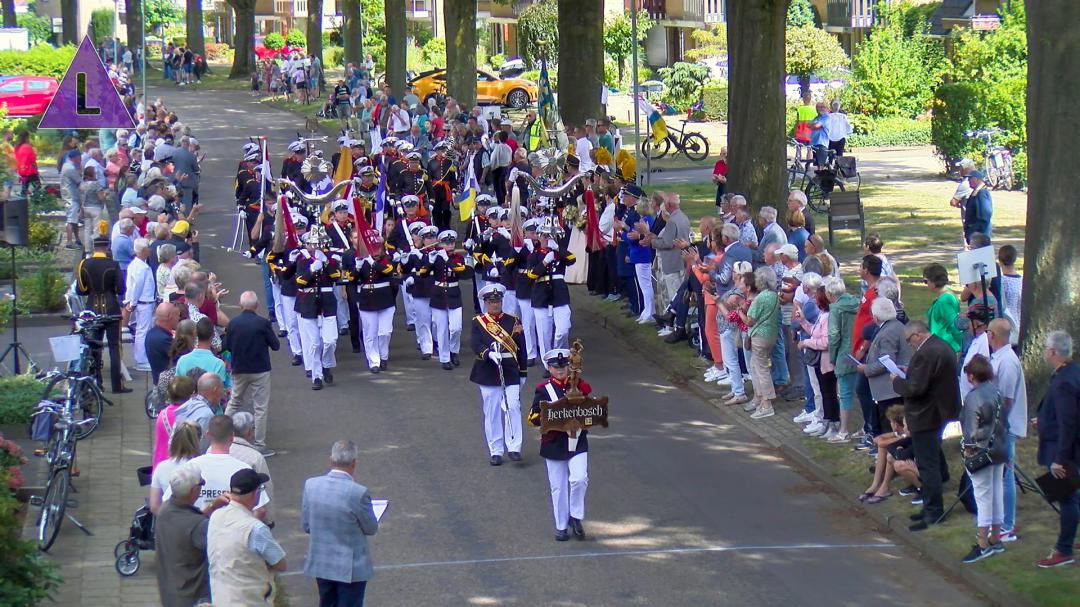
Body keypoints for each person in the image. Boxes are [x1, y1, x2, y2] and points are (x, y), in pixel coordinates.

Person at [892, 320, 961, 531]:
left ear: (918, 335)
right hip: (938, 413)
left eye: (909, 340)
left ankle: (934, 511)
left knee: (927, 464)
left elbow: (915, 388)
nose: (909, 344)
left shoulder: (926, 353)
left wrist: (897, 380)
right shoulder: (941, 346)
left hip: (926, 416)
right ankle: (932, 505)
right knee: (932, 460)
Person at [301, 440, 380, 606]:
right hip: (350, 568)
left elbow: (307, 525)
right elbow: (371, 528)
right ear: (354, 463)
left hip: (322, 562)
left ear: (331, 460)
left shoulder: (311, 485)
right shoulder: (358, 492)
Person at [529, 349, 592, 541]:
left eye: (563, 366)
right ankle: (561, 525)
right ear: (549, 368)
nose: (560, 370)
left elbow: (592, 409)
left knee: (579, 479)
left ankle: (576, 516)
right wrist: (550, 419)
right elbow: (532, 418)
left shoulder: (580, 385)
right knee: (558, 487)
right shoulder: (543, 389)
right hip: (554, 443)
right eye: (556, 368)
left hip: (577, 440)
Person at [1034, 330, 1080, 568]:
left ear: (1052, 352)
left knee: (1067, 497)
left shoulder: (1063, 381)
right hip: (1070, 445)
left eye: (1045, 348)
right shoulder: (1072, 372)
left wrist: (1059, 459)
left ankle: (1063, 549)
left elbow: (1068, 422)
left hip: (1064, 449)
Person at [154, 461, 228, 607]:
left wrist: (212, 506)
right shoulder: (198, 526)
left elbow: (187, 522)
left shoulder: (165, 510)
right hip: (194, 597)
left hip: (170, 591)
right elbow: (224, 548)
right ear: (194, 490)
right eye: (202, 483)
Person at [207, 468, 285, 605]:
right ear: (255, 494)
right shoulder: (256, 528)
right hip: (250, 601)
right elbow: (280, 564)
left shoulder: (215, 517)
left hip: (220, 599)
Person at [469, 284, 527, 466]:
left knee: (513, 407)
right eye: (491, 302)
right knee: (492, 411)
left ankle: (514, 446)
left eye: (498, 301)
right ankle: (496, 449)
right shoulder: (478, 322)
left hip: (510, 370)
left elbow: (521, 348)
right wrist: (487, 353)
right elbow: (475, 344)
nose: (495, 304)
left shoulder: (513, 320)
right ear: (485, 303)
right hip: (487, 370)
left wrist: (523, 372)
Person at [959, 354, 1008, 563]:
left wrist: (967, 451)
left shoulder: (973, 397)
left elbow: (970, 430)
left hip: (981, 452)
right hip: (999, 449)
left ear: (971, 375)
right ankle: (996, 538)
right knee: (997, 493)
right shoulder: (997, 392)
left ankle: (982, 543)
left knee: (982, 496)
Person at [224, 292, 280, 455]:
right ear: (256, 306)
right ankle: (259, 444)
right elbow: (275, 345)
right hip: (260, 369)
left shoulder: (233, 323)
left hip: (239, 369)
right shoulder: (262, 323)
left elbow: (226, 345)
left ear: (240, 306)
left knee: (234, 401)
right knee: (260, 407)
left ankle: (221, 436)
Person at [987, 318, 1026, 542]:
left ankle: (1007, 525)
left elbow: (1007, 400)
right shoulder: (999, 358)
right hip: (999, 425)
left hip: (1005, 426)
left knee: (1005, 475)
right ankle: (997, 519)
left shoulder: (1008, 362)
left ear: (993, 335)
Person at [75, 236, 129, 393]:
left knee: (95, 347)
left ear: (94, 248)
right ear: (107, 248)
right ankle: (117, 385)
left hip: (92, 309)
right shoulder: (113, 264)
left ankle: (97, 382)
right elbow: (121, 289)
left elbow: (81, 290)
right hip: (111, 308)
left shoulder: (83, 264)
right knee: (114, 347)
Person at [738, 267, 779, 420]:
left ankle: (767, 404)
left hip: (759, 337)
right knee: (757, 367)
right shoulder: (774, 296)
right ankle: (760, 398)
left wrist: (740, 312)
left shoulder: (760, 298)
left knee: (761, 370)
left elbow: (750, 321)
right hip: (770, 335)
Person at [149, 421, 202, 515]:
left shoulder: (161, 467)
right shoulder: (200, 467)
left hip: (169, 522)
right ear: (198, 440)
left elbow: (154, 506)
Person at [152, 375, 199, 470]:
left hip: (160, 464)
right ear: (192, 394)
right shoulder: (189, 415)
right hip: (181, 467)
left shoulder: (162, 414)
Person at [229, 412, 274, 508]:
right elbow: (266, 489)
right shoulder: (255, 457)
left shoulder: (217, 450)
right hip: (248, 512)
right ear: (249, 432)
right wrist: (270, 520)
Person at [125, 238, 156, 372]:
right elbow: (137, 286)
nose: (150, 250)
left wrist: (130, 301)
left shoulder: (136, 264)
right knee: (142, 331)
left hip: (143, 302)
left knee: (142, 331)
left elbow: (131, 286)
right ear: (143, 251)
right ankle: (141, 360)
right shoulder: (141, 268)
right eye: (148, 248)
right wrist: (132, 302)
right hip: (144, 303)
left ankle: (142, 358)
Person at [922, 263, 963, 354]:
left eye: (926, 281)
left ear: (933, 281)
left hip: (946, 348)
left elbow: (955, 324)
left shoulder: (944, 301)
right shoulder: (946, 296)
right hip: (942, 346)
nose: (926, 284)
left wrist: (959, 348)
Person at [175, 317, 228, 385]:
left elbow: (177, 387)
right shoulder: (218, 364)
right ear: (213, 335)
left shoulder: (182, 360)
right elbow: (219, 390)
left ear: (196, 333)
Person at [147, 302, 179, 385]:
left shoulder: (152, 333)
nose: (179, 318)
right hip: (168, 386)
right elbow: (182, 358)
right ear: (169, 317)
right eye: (177, 315)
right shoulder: (163, 339)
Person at [963, 170, 993, 246]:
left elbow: (985, 214)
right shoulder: (976, 192)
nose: (968, 181)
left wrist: (974, 231)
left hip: (979, 234)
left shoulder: (982, 193)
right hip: (975, 234)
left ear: (976, 179)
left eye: (970, 179)